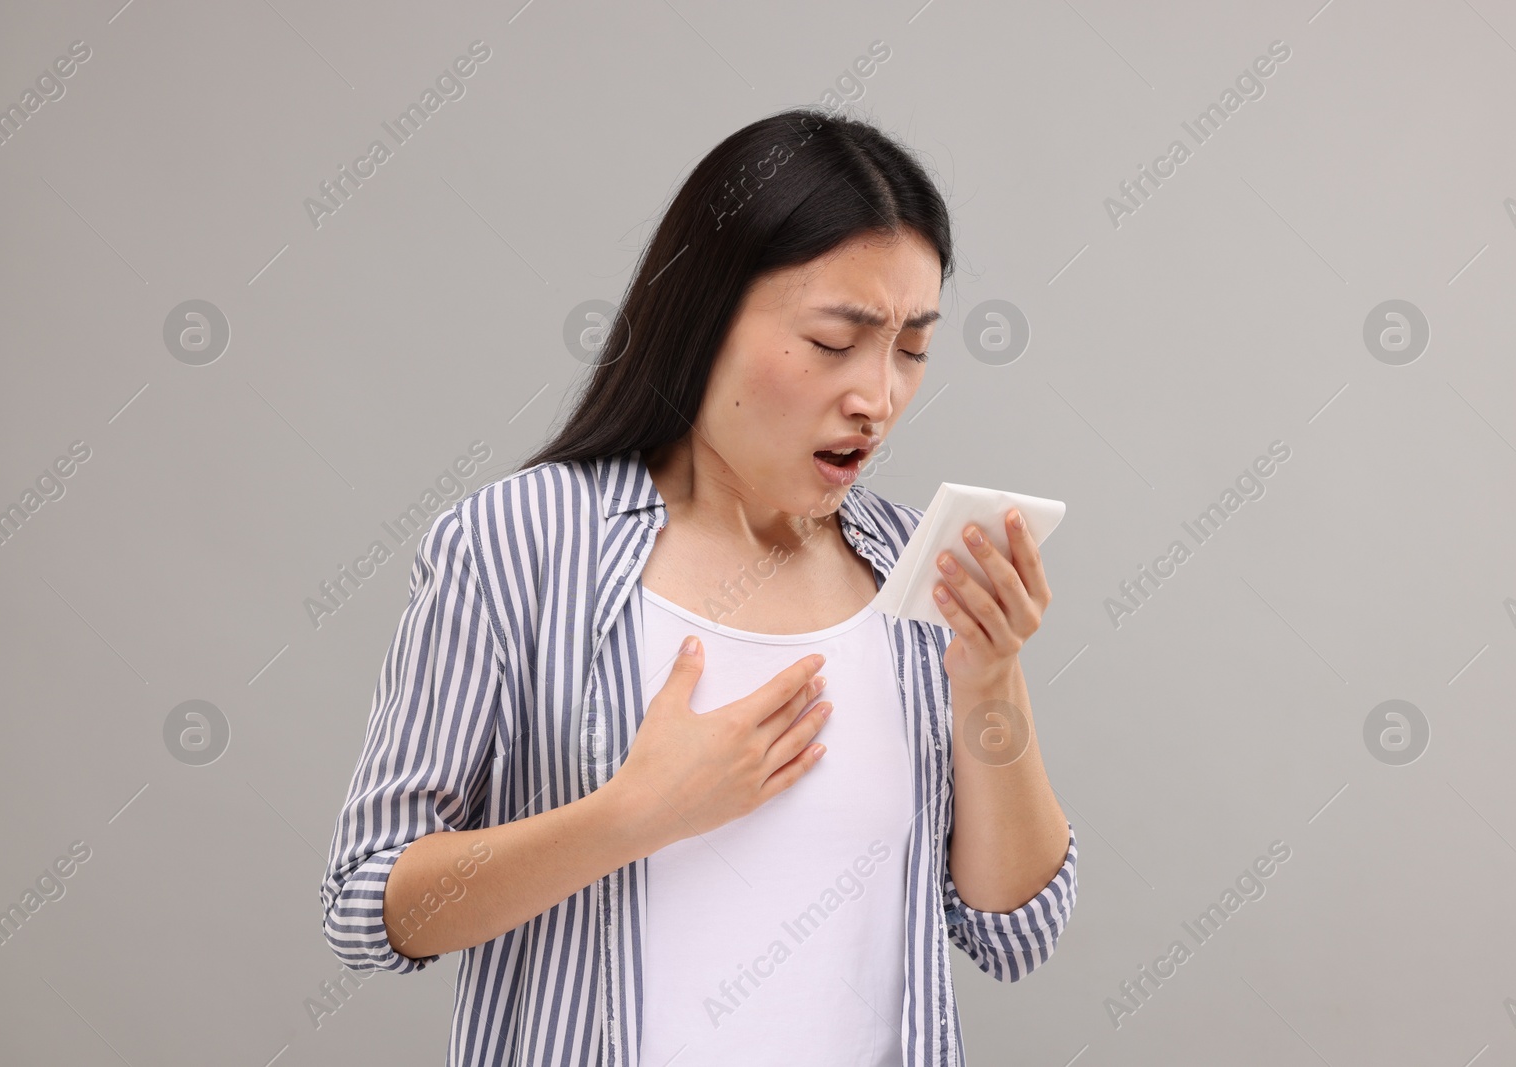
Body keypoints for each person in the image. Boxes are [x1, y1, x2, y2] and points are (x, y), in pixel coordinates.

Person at [321, 106, 1077, 1067]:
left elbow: (1015, 934)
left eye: (912, 348)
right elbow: (366, 904)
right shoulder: (521, 543)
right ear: (706, 313)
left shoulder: (911, 565)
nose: (877, 396)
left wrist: (991, 680)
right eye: (836, 340)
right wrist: (630, 816)